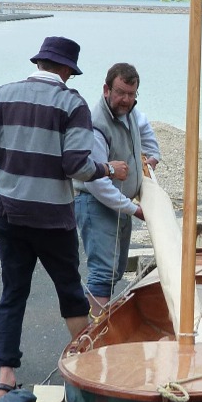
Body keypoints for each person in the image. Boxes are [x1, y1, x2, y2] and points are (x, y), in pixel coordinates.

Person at [0, 36, 129, 400]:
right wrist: (107, 168)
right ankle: (90, 368)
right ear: (67, 71)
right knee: (70, 293)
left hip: (9, 213)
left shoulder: (2, 94)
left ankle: (5, 377)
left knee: (13, 294)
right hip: (53, 218)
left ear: (39, 63)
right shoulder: (72, 104)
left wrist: (13, 162)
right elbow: (75, 166)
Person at [74, 63, 161, 316]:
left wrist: (153, 155)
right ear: (106, 89)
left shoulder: (130, 112)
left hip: (120, 203)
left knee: (115, 271)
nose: (125, 100)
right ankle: (91, 336)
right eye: (121, 92)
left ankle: (98, 329)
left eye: (131, 94)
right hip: (95, 203)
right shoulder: (95, 124)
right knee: (103, 272)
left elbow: (143, 126)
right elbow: (96, 181)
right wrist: (134, 209)